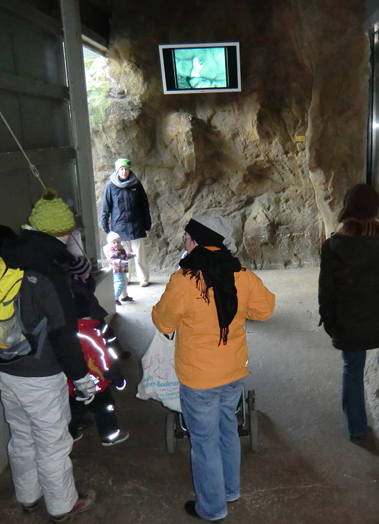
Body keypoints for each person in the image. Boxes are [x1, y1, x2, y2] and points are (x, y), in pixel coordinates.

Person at [152, 215, 275, 522]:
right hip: (233, 371)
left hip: (198, 378)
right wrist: (237, 308)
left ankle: (212, 508)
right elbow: (265, 308)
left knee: (204, 443)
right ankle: (230, 490)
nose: (183, 241)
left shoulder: (184, 280)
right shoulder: (241, 274)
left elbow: (163, 321)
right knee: (228, 430)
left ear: (196, 241)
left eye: (186, 237)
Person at [0, 189, 97, 522]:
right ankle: (63, 504)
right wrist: (82, 378)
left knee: (21, 435)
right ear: (62, 233)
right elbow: (63, 335)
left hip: (5, 367)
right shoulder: (51, 274)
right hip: (40, 375)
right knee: (52, 442)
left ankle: (28, 496)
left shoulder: (0, 260)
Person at [318, 184, 379, 441]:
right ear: (375, 210)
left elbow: (326, 291)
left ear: (347, 209)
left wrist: (330, 321)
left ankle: (356, 429)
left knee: (352, 369)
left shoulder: (332, 247)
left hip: (349, 326)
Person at [100, 158, 152, 287]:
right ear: (117, 170)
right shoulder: (111, 186)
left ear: (129, 170)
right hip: (119, 228)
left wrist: (147, 223)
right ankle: (125, 278)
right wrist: (106, 227)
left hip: (136, 225)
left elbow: (144, 205)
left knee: (139, 255)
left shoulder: (136, 184)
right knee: (122, 255)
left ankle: (143, 278)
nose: (124, 172)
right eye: (121, 169)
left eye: (126, 169)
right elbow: (105, 208)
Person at [103, 231, 136, 304]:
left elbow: (124, 255)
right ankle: (114, 297)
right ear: (110, 243)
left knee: (124, 282)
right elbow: (111, 260)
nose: (116, 244)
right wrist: (120, 262)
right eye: (114, 242)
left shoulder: (121, 249)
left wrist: (130, 255)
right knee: (119, 283)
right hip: (116, 270)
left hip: (122, 269)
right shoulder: (111, 251)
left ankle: (124, 296)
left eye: (118, 242)